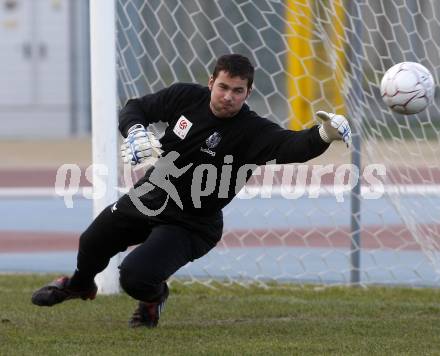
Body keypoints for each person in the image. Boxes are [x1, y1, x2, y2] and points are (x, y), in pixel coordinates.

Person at [31, 54, 351, 328]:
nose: (228, 96)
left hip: (192, 222)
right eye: (223, 87)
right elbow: (135, 108)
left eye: (237, 91)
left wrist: (325, 132)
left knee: (135, 277)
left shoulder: (253, 131)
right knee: (91, 241)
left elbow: (294, 145)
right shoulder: (185, 97)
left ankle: (154, 298)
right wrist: (135, 131)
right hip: (152, 195)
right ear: (211, 82)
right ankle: (79, 285)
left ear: (248, 93)